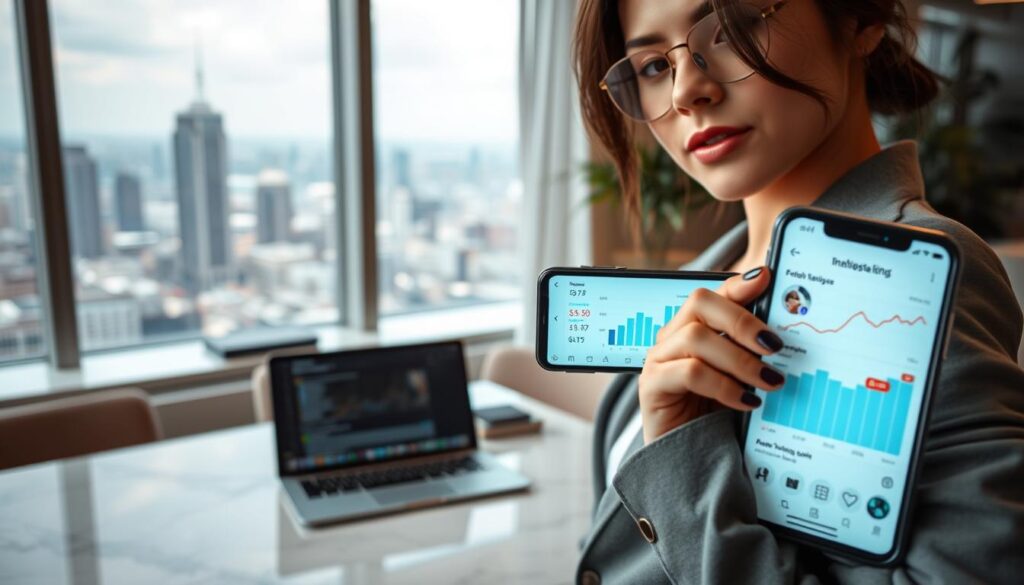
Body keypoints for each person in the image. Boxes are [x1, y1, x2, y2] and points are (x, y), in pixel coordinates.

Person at [571, 0, 1024, 583]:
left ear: (860, 20)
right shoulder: (714, 272)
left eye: (734, 29)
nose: (687, 91)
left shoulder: (914, 281)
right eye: (654, 67)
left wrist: (687, 452)